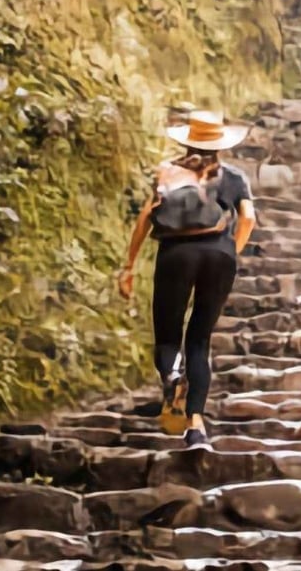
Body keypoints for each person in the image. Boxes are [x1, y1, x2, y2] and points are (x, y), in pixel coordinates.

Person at [117, 110, 256, 447]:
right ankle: (196, 427)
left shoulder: (168, 173)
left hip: (176, 254)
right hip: (219, 254)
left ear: (187, 140)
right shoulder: (234, 176)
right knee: (200, 341)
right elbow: (248, 218)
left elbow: (146, 218)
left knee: (168, 336)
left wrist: (129, 266)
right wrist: (230, 251)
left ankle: (173, 374)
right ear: (220, 144)